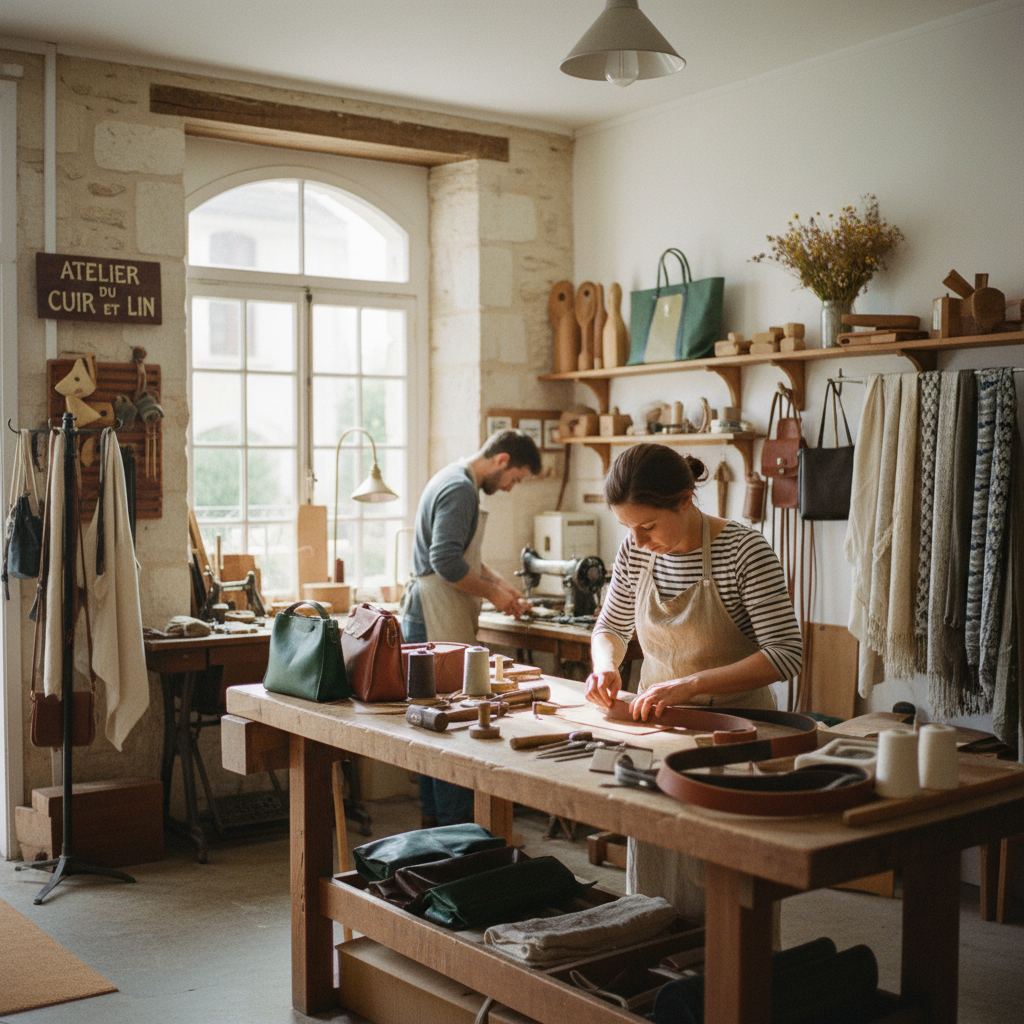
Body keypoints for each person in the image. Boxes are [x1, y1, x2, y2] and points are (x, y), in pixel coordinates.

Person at [585, 443, 802, 921]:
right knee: (656, 879)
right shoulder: (636, 552)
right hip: (660, 730)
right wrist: (606, 665)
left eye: (648, 526)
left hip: (738, 734)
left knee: (728, 891)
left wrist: (688, 685)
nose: (638, 541)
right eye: (628, 528)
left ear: (684, 500)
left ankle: (730, 987)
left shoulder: (744, 551)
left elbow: (786, 654)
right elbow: (610, 628)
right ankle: (659, 978)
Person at [401, 429, 541, 827]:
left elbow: (465, 557)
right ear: (501, 460)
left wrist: (501, 586)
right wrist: (495, 598)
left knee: (430, 722)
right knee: (447, 723)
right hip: (432, 612)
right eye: (515, 478)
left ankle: (435, 823)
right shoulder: (461, 489)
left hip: (428, 610)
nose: (512, 488)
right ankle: (455, 829)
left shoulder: (452, 477)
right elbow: (445, 563)